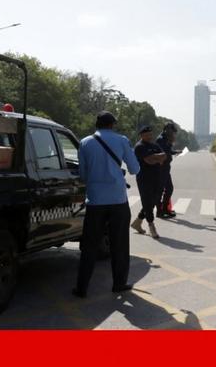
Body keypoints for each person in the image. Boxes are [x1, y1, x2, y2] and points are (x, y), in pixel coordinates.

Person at [73, 111, 140, 298]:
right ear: (112, 125)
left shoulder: (85, 143)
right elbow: (135, 169)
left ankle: (81, 288)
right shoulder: (122, 140)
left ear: (97, 125)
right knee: (119, 244)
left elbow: (83, 175)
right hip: (118, 201)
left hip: (95, 201)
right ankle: (119, 284)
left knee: (89, 246)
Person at [131, 125, 167, 238]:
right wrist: (157, 158)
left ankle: (138, 222)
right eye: (147, 135)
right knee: (147, 202)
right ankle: (151, 226)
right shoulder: (139, 147)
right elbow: (149, 161)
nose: (149, 136)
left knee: (154, 200)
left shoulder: (154, 145)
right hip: (144, 178)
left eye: (150, 134)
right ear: (141, 135)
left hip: (156, 177)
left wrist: (155, 157)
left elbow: (164, 156)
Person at [156, 123, 178, 218]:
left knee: (169, 188)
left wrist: (176, 151)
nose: (173, 134)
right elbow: (164, 152)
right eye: (172, 131)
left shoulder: (166, 139)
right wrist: (171, 142)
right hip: (161, 168)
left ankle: (165, 209)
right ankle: (159, 211)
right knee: (160, 190)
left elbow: (169, 151)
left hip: (165, 167)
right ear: (167, 129)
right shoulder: (161, 139)